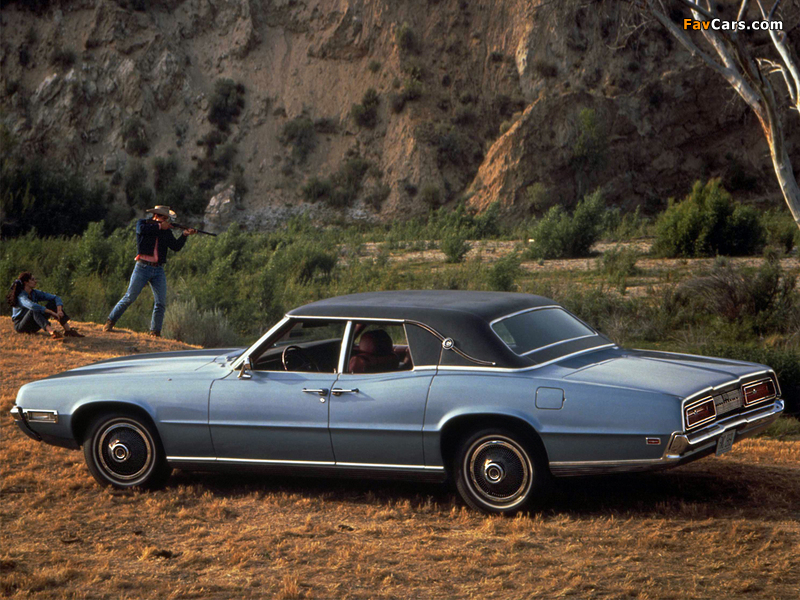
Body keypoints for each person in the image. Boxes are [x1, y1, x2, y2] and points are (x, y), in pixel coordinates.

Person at [104, 205, 196, 337]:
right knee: (129, 297)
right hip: (142, 267)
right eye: (164, 218)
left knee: (160, 303)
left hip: (158, 269)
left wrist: (184, 235)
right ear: (156, 216)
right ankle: (110, 321)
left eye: (166, 218)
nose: (166, 220)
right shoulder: (143, 223)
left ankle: (155, 332)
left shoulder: (165, 231)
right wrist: (159, 227)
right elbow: (141, 230)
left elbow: (175, 246)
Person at [7, 272, 84, 339]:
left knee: (53, 303)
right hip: (21, 326)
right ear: (26, 282)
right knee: (34, 310)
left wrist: (59, 311)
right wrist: (52, 312)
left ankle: (68, 331)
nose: (35, 281)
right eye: (32, 279)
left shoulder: (34, 293)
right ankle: (52, 333)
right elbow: (32, 306)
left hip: (34, 324)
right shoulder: (21, 296)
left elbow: (56, 298)